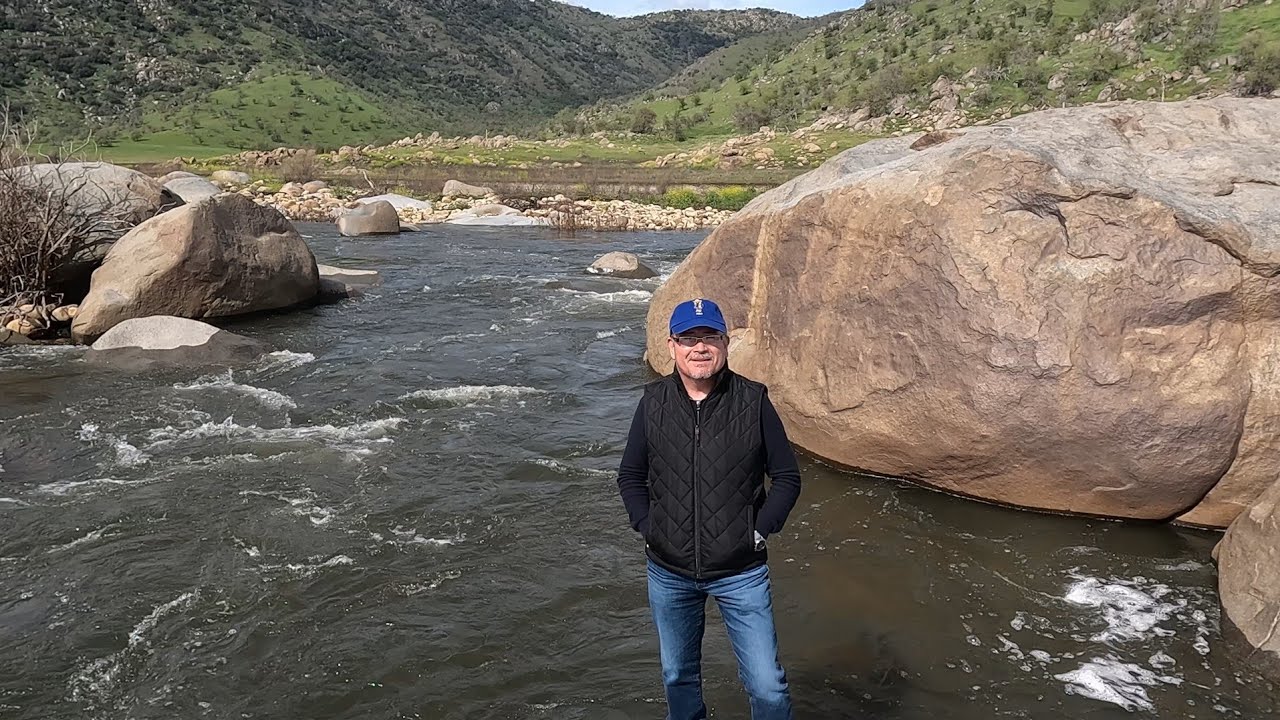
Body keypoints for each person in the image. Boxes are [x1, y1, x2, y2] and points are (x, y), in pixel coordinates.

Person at [615, 297, 803, 720]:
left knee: (768, 688)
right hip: (669, 571)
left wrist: (758, 530)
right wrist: (650, 527)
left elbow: (787, 478)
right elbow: (631, 476)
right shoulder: (653, 402)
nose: (700, 347)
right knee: (677, 676)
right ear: (671, 346)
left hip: (741, 573)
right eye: (689, 338)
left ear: (725, 343)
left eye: (710, 337)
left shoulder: (753, 401)